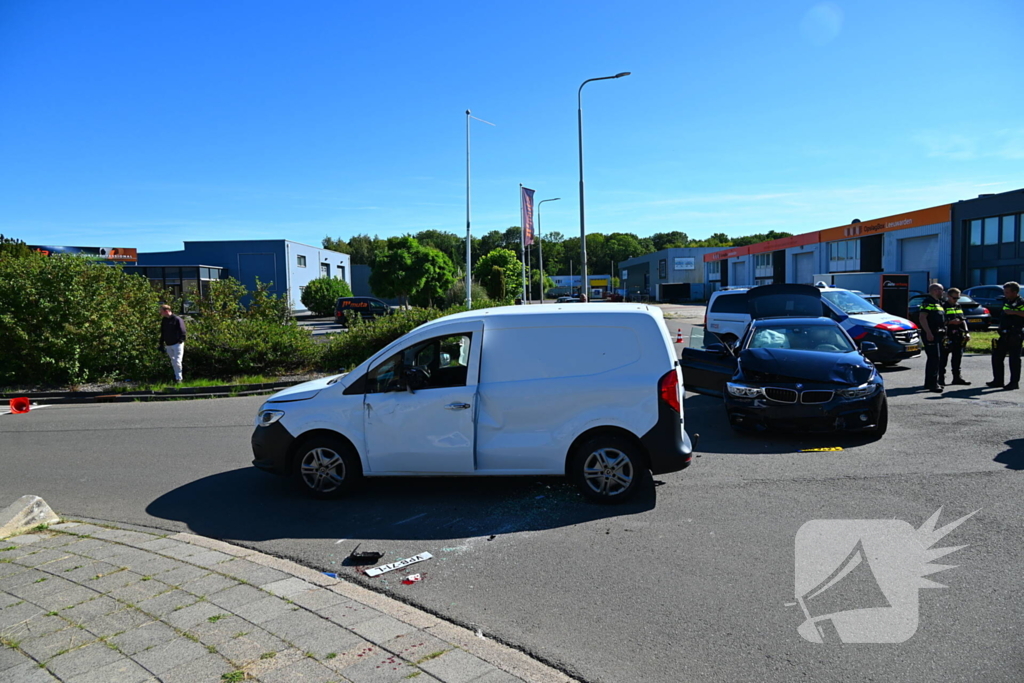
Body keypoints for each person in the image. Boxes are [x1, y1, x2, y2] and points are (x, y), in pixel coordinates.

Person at [987, 281, 1024, 390]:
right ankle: (998, 380)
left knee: (1014, 360)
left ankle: (1014, 383)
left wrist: (1013, 312)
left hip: (1015, 334)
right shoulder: (1006, 301)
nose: (1005, 294)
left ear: (1015, 292)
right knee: (997, 357)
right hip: (1003, 334)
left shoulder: (1021, 302)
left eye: (1007, 292)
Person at [917, 283, 946, 393]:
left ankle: (929, 382)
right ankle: (933, 384)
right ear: (935, 290)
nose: (942, 292)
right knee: (934, 358)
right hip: (931, 334)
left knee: (936, 359)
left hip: (938, 334)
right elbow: (922, 318)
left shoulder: (938, 303)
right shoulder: (927, 302)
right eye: (941, 290)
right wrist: (928, 332)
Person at [941, 288, 971, 386]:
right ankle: (941, 378)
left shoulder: (958, 305)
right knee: (943, 358)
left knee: (957, 357)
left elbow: (963, 320)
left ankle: (957, 378)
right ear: (948, 296)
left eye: (958, 298)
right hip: (947, 335)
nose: (956, 300)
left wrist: (967, 332)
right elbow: (939, 322)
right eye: (954, 298)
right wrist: (950, 322)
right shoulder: (943, 306)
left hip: (958, 334)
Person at [159, 304, 187, 383]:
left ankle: (179, 378)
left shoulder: (177, 319)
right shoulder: (164, 320)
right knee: (173, 361)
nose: (161, 313)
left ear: (166, 311)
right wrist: (161, 343)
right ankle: (176, 376)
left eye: (161, 312)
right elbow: (163, 332)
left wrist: (181, 340)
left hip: (177, 343)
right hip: (168, 344)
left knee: (177, 361)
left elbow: (183, 331)